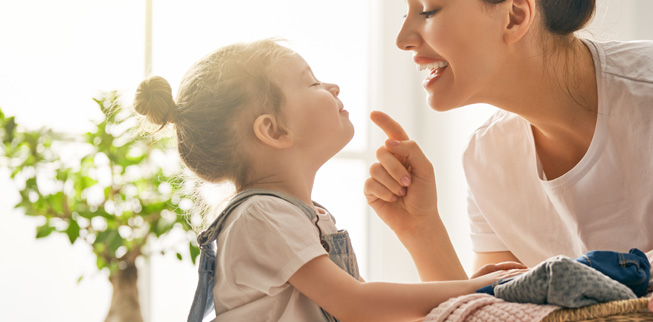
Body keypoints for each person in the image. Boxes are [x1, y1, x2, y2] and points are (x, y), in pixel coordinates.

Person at [363, 0, 653, 321]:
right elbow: (500, 312)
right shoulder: (486, 157)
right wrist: (421, 230)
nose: (404, 38)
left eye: (426, 10)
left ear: (514, 14)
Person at [132, 38, 523, 322]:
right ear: (273, 130)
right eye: (312, 83)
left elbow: (372, 308)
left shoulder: (303, 217)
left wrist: (468, 292)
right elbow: (358, 305)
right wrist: (478, 290)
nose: (332, 87)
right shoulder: (261, 214)